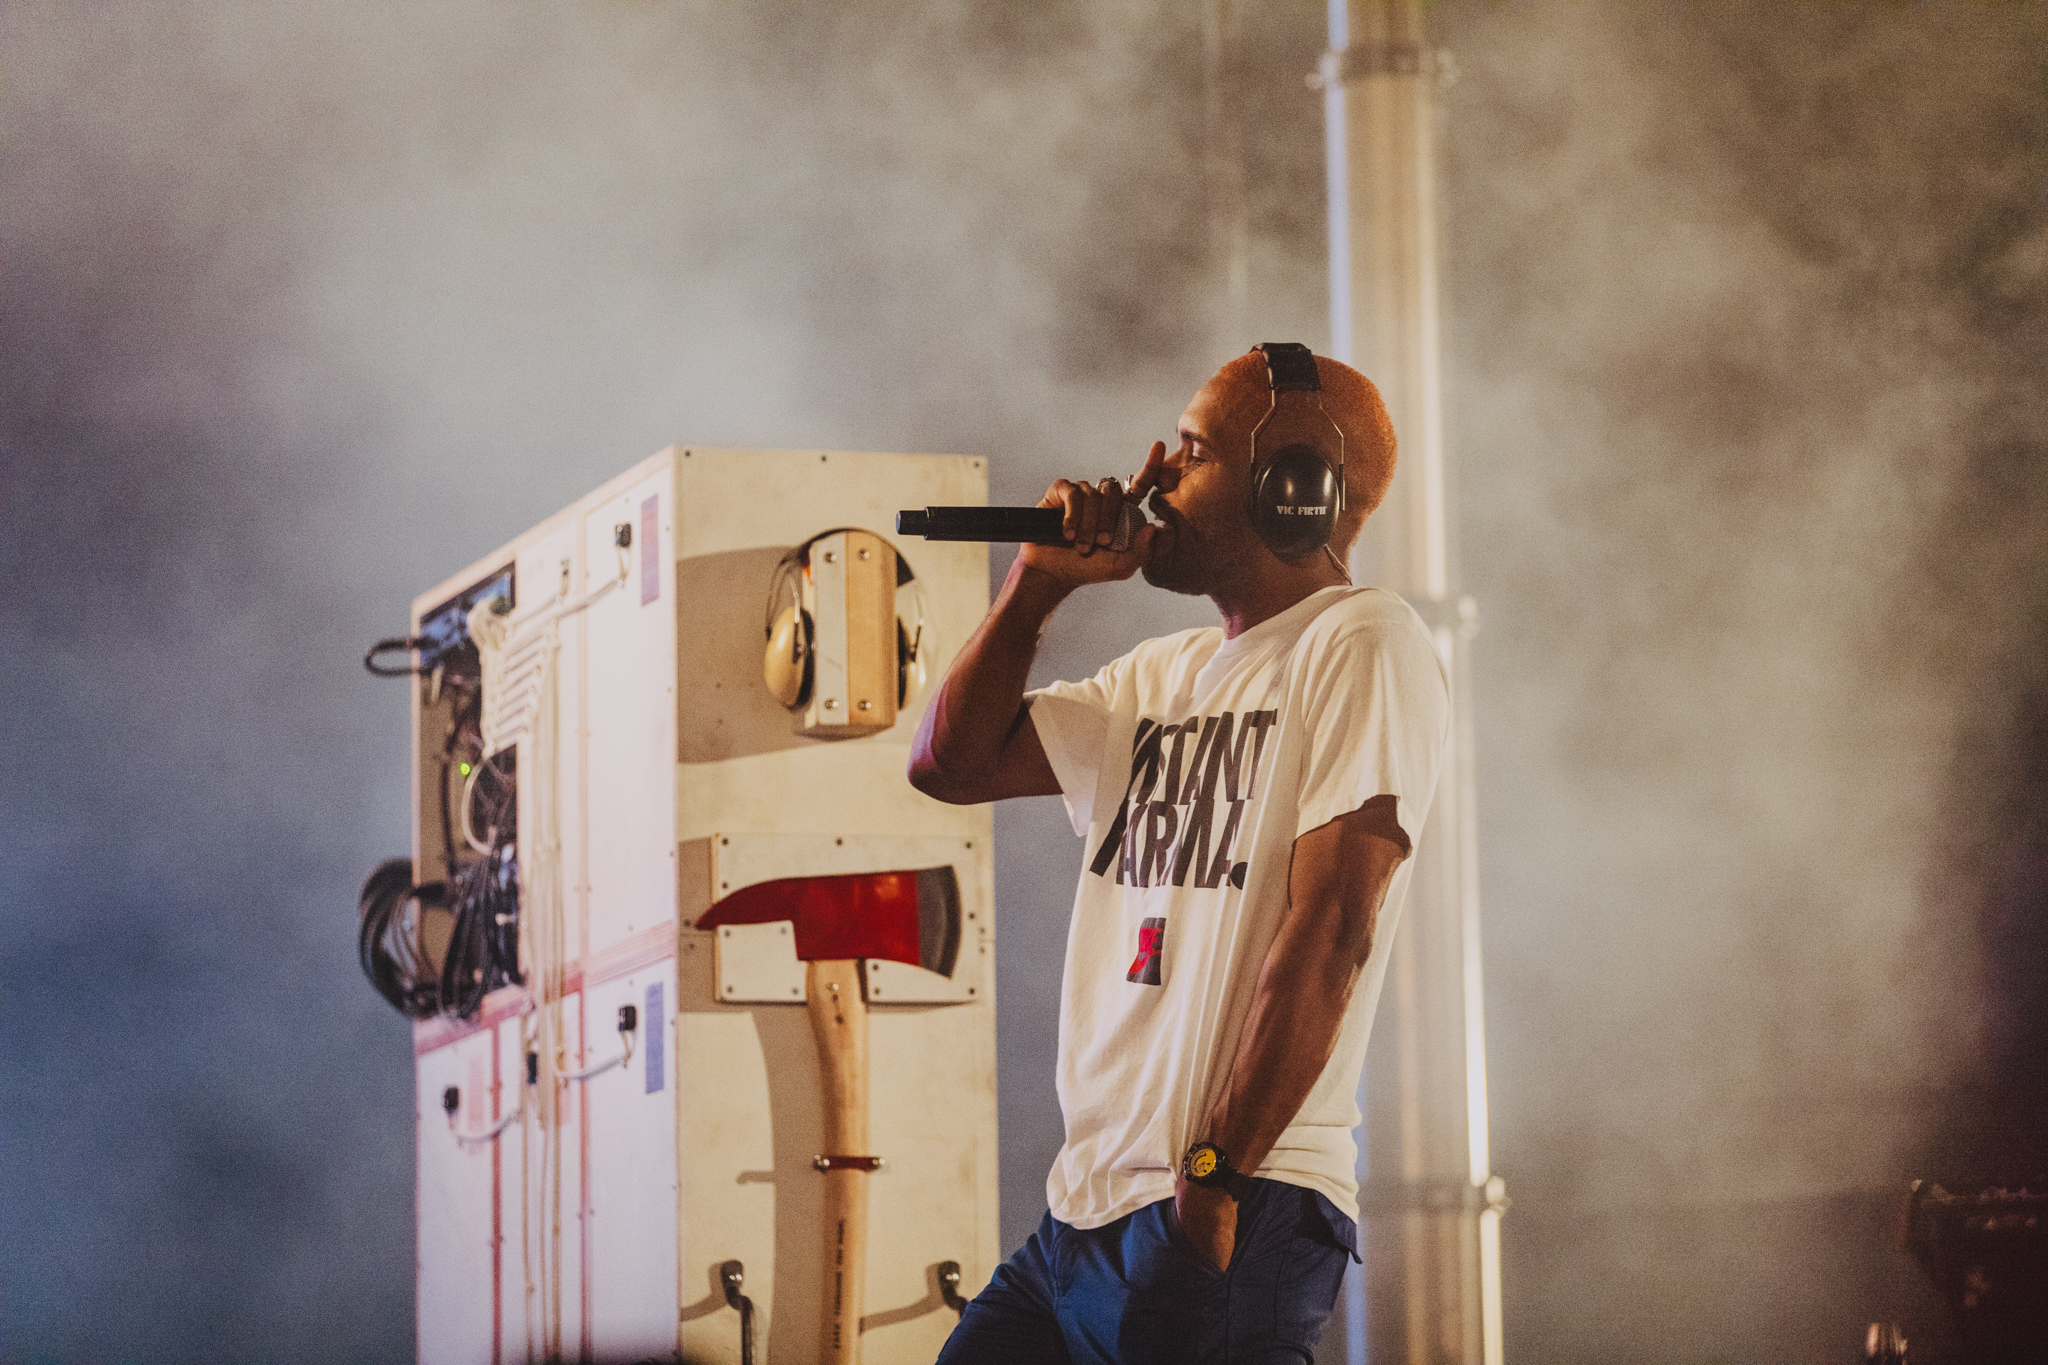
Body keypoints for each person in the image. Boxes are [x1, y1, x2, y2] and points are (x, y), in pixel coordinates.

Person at [910, 347, 1450, 1364]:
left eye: (1193, 453)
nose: (1152, 474)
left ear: (1293, 490)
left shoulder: (1359, 640)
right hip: (1083, 1214)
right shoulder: (1158, 675)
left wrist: (1210, 1183)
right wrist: (1032, 588)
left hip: (1233, 1203)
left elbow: (1331, 927)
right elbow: (948, 763)